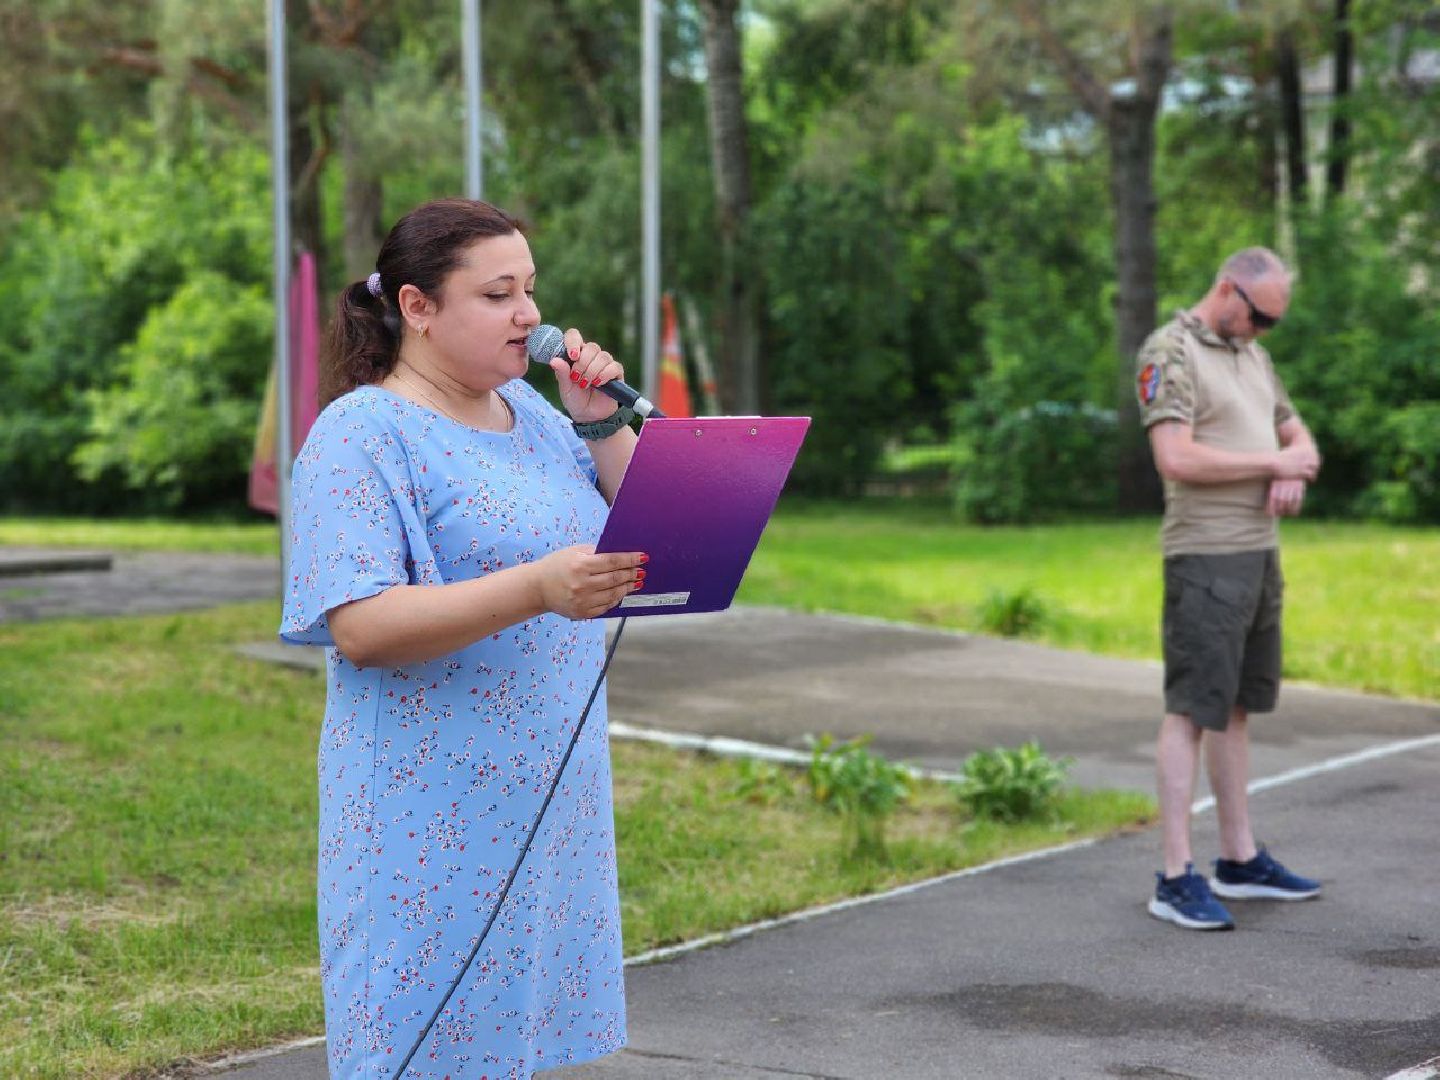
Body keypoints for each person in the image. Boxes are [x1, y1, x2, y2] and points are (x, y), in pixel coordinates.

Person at [279, 198, 647, 1076]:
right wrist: (535, 589)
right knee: (424, 1046)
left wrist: (600, 420)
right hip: (428, 814)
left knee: (518, 1046)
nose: (530, 314)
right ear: (418, 307)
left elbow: (651, 539)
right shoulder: (358, 435)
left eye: (530, 290)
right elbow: (361, 626)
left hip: (549, 799)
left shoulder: (538, 416)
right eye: (497, 294)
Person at [1135, 246, 1324, 932]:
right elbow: (1175, 457)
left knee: (1237, 707)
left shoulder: (1255, 357)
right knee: (1192, 709)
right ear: (1227, 290)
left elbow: (1301, 440)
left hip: (1259, 555)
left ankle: (1239, 859)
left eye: (1273, 322)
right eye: (1260, 317)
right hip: (1205, 558)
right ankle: (1174, 876)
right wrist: (1275, 463)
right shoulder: (1171, 351)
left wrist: (1293, 465)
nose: (1263, 330)